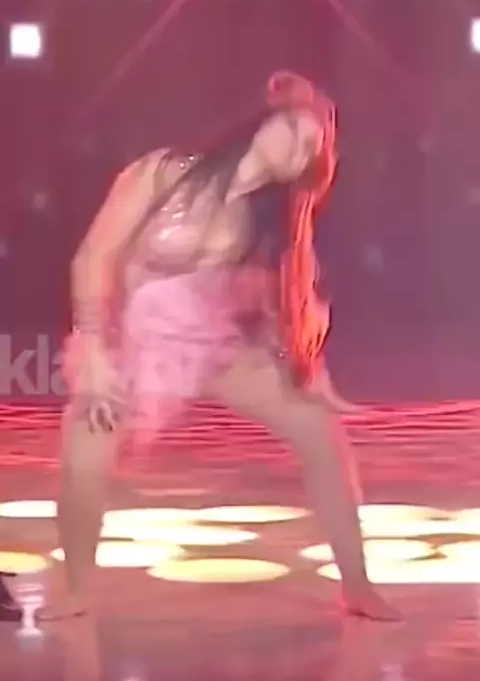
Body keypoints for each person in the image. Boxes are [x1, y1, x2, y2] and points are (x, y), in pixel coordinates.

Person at [41, 71, 398, 622]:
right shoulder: (165, 171)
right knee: (85, 452)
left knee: (317, 427)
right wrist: (92, 346)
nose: (297, 148)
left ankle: (356, 584)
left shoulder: (261, 220)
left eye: (310, 149)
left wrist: (307, 367)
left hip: (208, 341)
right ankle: (76, 587)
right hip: (126, 336)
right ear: (265, 119)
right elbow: (93, 256)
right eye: (293, 129)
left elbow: (277, 305)